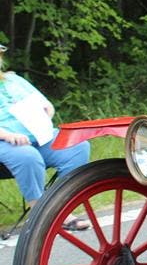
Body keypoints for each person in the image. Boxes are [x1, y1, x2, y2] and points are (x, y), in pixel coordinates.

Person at [0, 44, 91, 230]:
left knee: (77, 145)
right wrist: (7, 135)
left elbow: (46, 105)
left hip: (38, 137)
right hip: (6, 144)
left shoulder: (13, 80)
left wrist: (44, 113)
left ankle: (60, 204)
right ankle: (39, 212)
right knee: (27, 156)